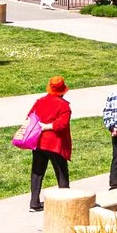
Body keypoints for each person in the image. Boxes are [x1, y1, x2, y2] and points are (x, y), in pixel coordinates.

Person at [26, 75, 73, 211]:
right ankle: (65, 202)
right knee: (61, 172)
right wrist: (47, 126)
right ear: (63, 90)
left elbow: (30, 117)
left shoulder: (40, 101)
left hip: (39, 143)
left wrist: (41, 126)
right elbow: (61, 124)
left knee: (37, 172)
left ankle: (34, 203)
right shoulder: (64, 106)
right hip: (55, 145)